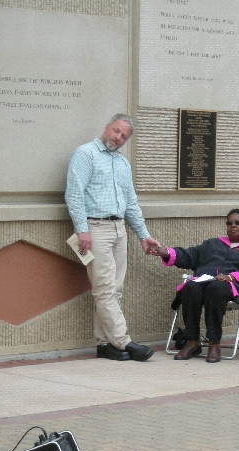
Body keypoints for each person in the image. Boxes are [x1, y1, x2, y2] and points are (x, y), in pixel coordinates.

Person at [65, 113, 160, 362]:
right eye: (116, 131)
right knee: (105, 289)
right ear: (107, 127)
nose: (118, 137)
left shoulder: (122, 163)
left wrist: (143, 235)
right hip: (95, 229)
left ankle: (105, 344)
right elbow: (74, 194)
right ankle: (124, 341)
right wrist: (81, 229)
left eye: (123, 136)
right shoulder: (85, 154)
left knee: (114, 290)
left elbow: (131, 203)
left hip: (119, 230)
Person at [151, 209, 239, 363]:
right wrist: (165, 252)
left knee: (216, 288)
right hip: (204, 283)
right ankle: (192, 341)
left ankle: (214, 343)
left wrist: (231, 277)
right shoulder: (212, 244)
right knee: (190, 287)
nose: (233, 226)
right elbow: (190, 255)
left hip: (232, 286)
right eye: (229, 223)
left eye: (238, 223)